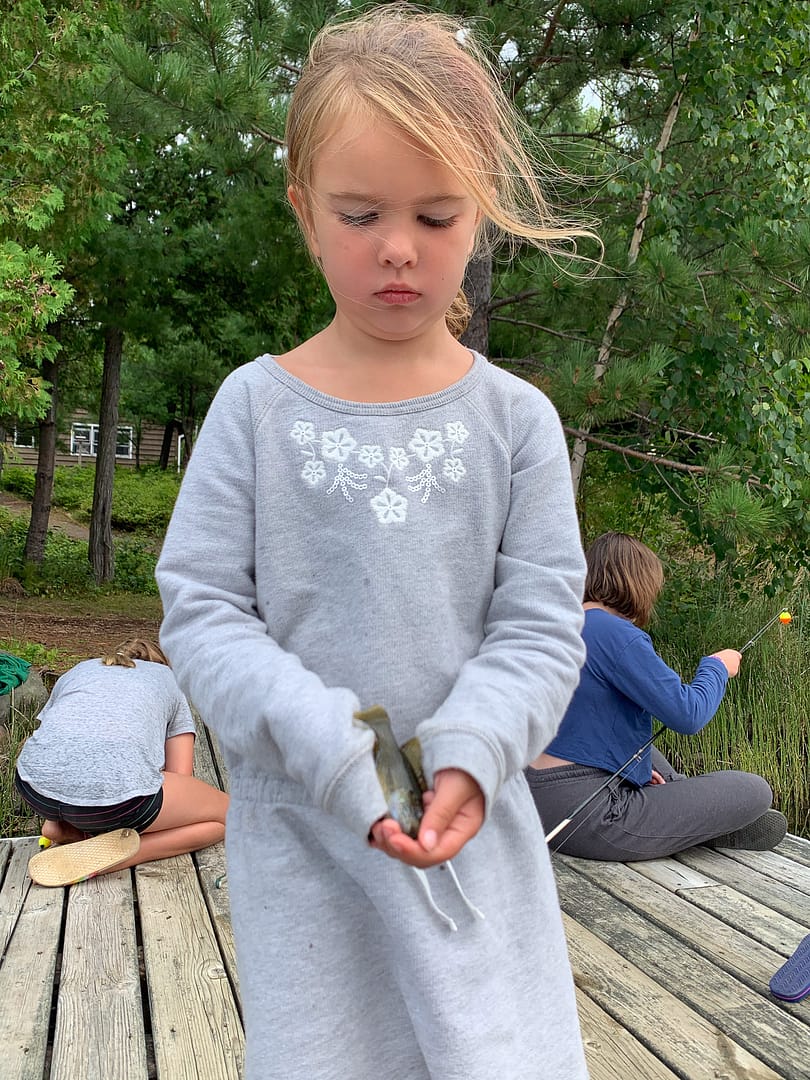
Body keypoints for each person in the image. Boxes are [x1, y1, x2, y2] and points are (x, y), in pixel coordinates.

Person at [156, 8, 597, 1079]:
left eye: (437, 216)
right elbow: (203, 614)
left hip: (472, 838)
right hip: (307, 852)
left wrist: (470, 751)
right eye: (360, 214)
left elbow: (541, 627)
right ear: (304, 212)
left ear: (480, 215)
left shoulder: (519, 424)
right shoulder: (253, 409)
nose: (399, 246)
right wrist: (336, 750)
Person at [527, 532, 787, 860]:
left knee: (646, 752)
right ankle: (696, 823)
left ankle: (681, 813)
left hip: (534, 798)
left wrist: (633, 771)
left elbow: (579, 723)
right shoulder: (616, 635)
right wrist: (717, 667)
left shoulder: (558, 626)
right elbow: (688, 714)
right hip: (592, 816)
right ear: (640, 584)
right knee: (755, 790)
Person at [15, 638, 228, 883]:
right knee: (228, 815)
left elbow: (61, 743)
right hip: (118, 807)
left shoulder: (79, 670)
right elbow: (181, 776)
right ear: (161, 663)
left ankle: (57, 826)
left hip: (33, 789)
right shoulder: (169, 680)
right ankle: (124, 856)